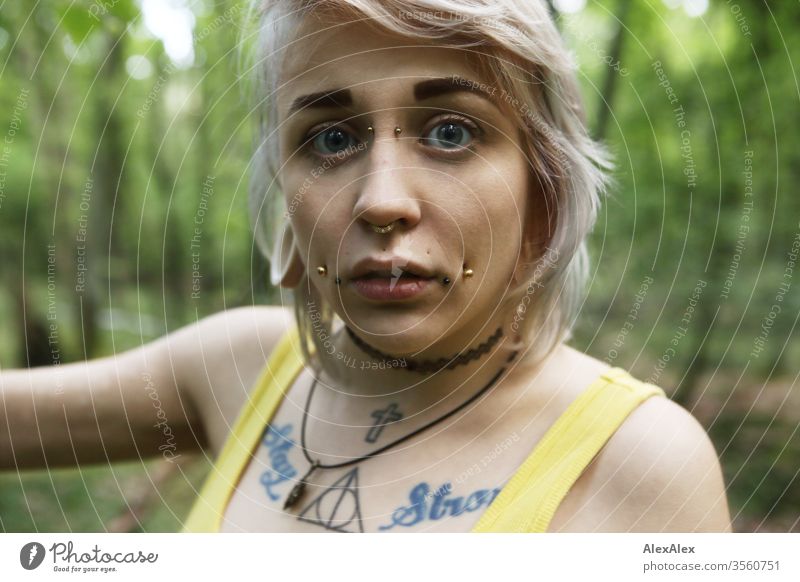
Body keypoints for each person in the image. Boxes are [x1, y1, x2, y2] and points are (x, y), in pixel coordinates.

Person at [0, 0, 731, 533]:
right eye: (330, 139)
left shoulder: (637, 463)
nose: (382, 202)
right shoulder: (239, 370)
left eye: (451, 132)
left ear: (543, 191)